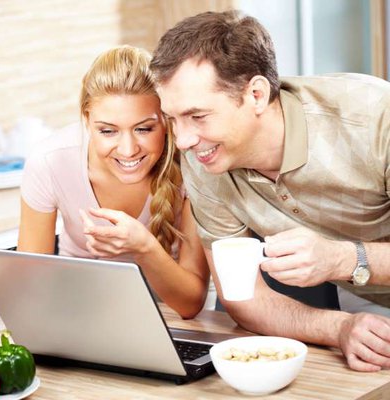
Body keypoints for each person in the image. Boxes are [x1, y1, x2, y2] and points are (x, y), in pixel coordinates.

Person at [150, 10, 390, 371]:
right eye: (173, 119)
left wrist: (341, 258)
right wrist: (339, 327)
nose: (182, 140)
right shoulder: (204, 158)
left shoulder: (374, 117)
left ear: (257, 94)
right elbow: (243, 298)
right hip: (364, 305)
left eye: (198, 116)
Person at [18, 46, 211, 319]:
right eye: (108, 131)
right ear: (87, 120)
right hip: (85, 309)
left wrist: (143, 247)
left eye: (144, 128)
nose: (128, 149)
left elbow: (190, 303)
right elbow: (29, 282)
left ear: (166, 121)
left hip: (175, 316)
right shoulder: (50, 162)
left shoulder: (193, 164)